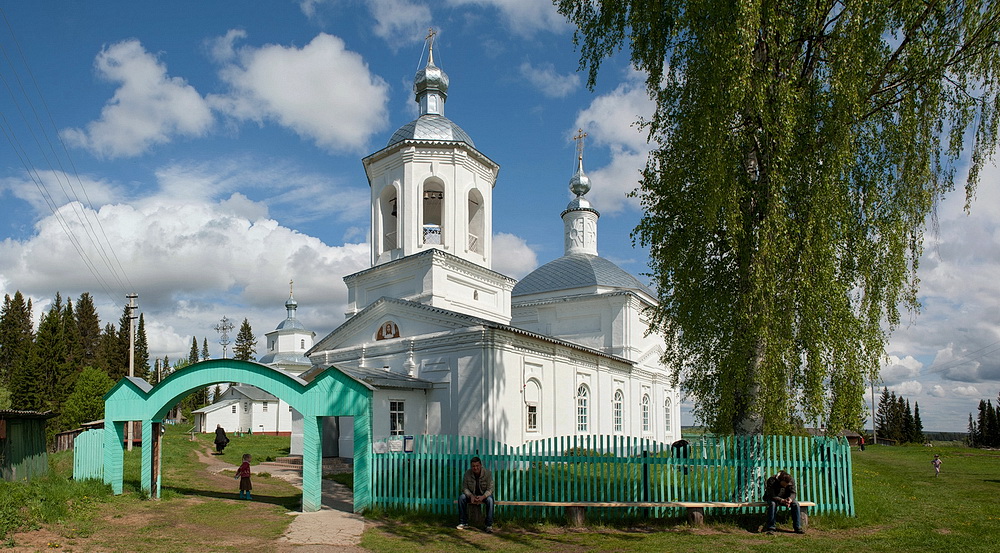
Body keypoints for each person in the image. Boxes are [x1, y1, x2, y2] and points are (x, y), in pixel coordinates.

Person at [456, 456, 494, 533]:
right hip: (471, 495)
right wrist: (471, 495)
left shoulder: (488, 473)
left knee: (490, 500)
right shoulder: (467, 473)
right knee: (461, 498)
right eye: (473, 466)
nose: (475, 468)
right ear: (471, 466)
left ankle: (488, 525)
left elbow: (490, 489)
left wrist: (483, 497)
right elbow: (464, 488)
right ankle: (463, 522)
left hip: (484, 495)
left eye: (477, 466)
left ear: (480, 465)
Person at [762, 470, 803, 534]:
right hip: (773, 498)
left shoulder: (791, 480)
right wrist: (782, 500)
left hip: (786, 498)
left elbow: (793, 493)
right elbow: (771, 495)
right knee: (773, 504)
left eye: (787, 485)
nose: (786, 486)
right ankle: (771, 528)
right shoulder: (771, 480)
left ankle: (797, 527)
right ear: (780, 480)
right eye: (784, 484)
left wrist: (790, 499)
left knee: (796, 504)